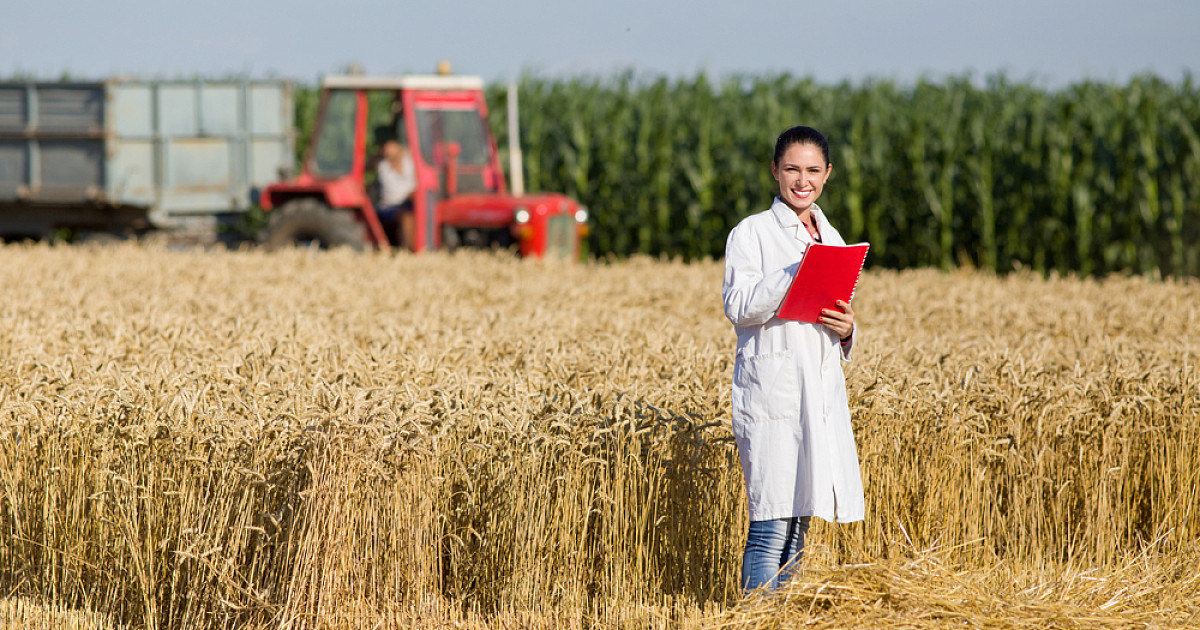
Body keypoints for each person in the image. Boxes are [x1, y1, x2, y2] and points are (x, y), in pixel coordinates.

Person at [721, 125, 864, 594]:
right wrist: (792, 273)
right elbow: (738, 306)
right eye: (792, 169)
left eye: (813, 170)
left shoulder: (834, 236)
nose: (803, 180)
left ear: (827, 175)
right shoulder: (752, 233)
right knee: (770, 527)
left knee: (802, 527)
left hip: (817, 395)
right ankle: (758, 621)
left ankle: (786, 618)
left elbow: (833, 317)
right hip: (775, 399)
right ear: (775, 172)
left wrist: (847, 332)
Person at [376, 137, 417, 250]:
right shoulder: (381, 166)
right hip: (389, 207)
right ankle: (410, 251)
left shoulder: (411, 161)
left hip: (411, 202)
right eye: (383, 146)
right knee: (406, 217)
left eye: (389, 145)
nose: (386, 149)